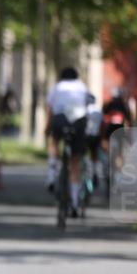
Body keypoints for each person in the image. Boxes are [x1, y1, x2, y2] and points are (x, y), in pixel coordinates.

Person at [45, 67, 91, 216]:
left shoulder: (57, 87)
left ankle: (51, 173)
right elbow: (88, 107)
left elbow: (49, 108)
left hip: (59, 119)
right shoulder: (82, 87)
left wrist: (47, 127)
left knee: (54, 140)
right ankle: (75, 203)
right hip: (78, 121)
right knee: (75, 162)